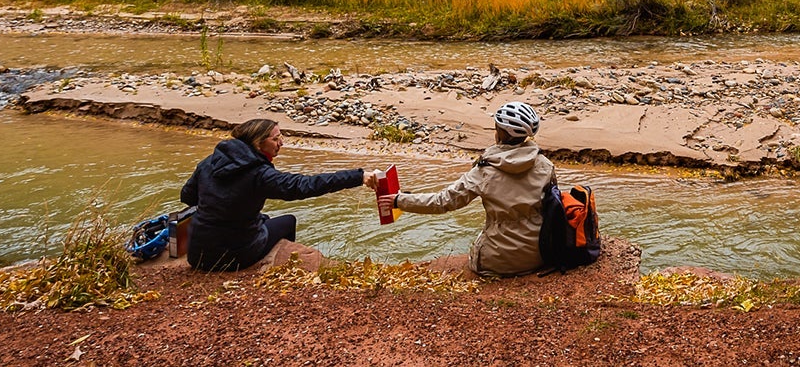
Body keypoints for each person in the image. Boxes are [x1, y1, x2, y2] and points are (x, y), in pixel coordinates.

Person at [379, 101, 554, 277]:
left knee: (481, 239)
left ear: (499, 133)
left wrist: (399, 200)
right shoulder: (546, 165)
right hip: (540, 254)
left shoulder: (483, 172)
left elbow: (442, 202)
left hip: (498, 263)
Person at [180, 117, 375, 271]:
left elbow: (187, 197)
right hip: (234, 257)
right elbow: (305, 186)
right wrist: (358, 176)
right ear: (257, 144)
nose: (281, 142)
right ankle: (285, 267)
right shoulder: (260, 174)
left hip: (197, 254)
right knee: (287, 221)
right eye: (275, 138)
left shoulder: (209, 163)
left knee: (263, 219)